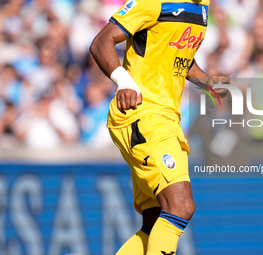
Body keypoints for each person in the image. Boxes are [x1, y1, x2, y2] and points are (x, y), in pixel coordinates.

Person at [90, 0, 228, 254]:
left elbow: (178, 55)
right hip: (143, 115)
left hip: (166, 119)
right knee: (180, 206)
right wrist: (124, 82)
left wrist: (207, 82)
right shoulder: (154, 2)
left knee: (155, 223)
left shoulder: (202, 6)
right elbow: (101, 42)